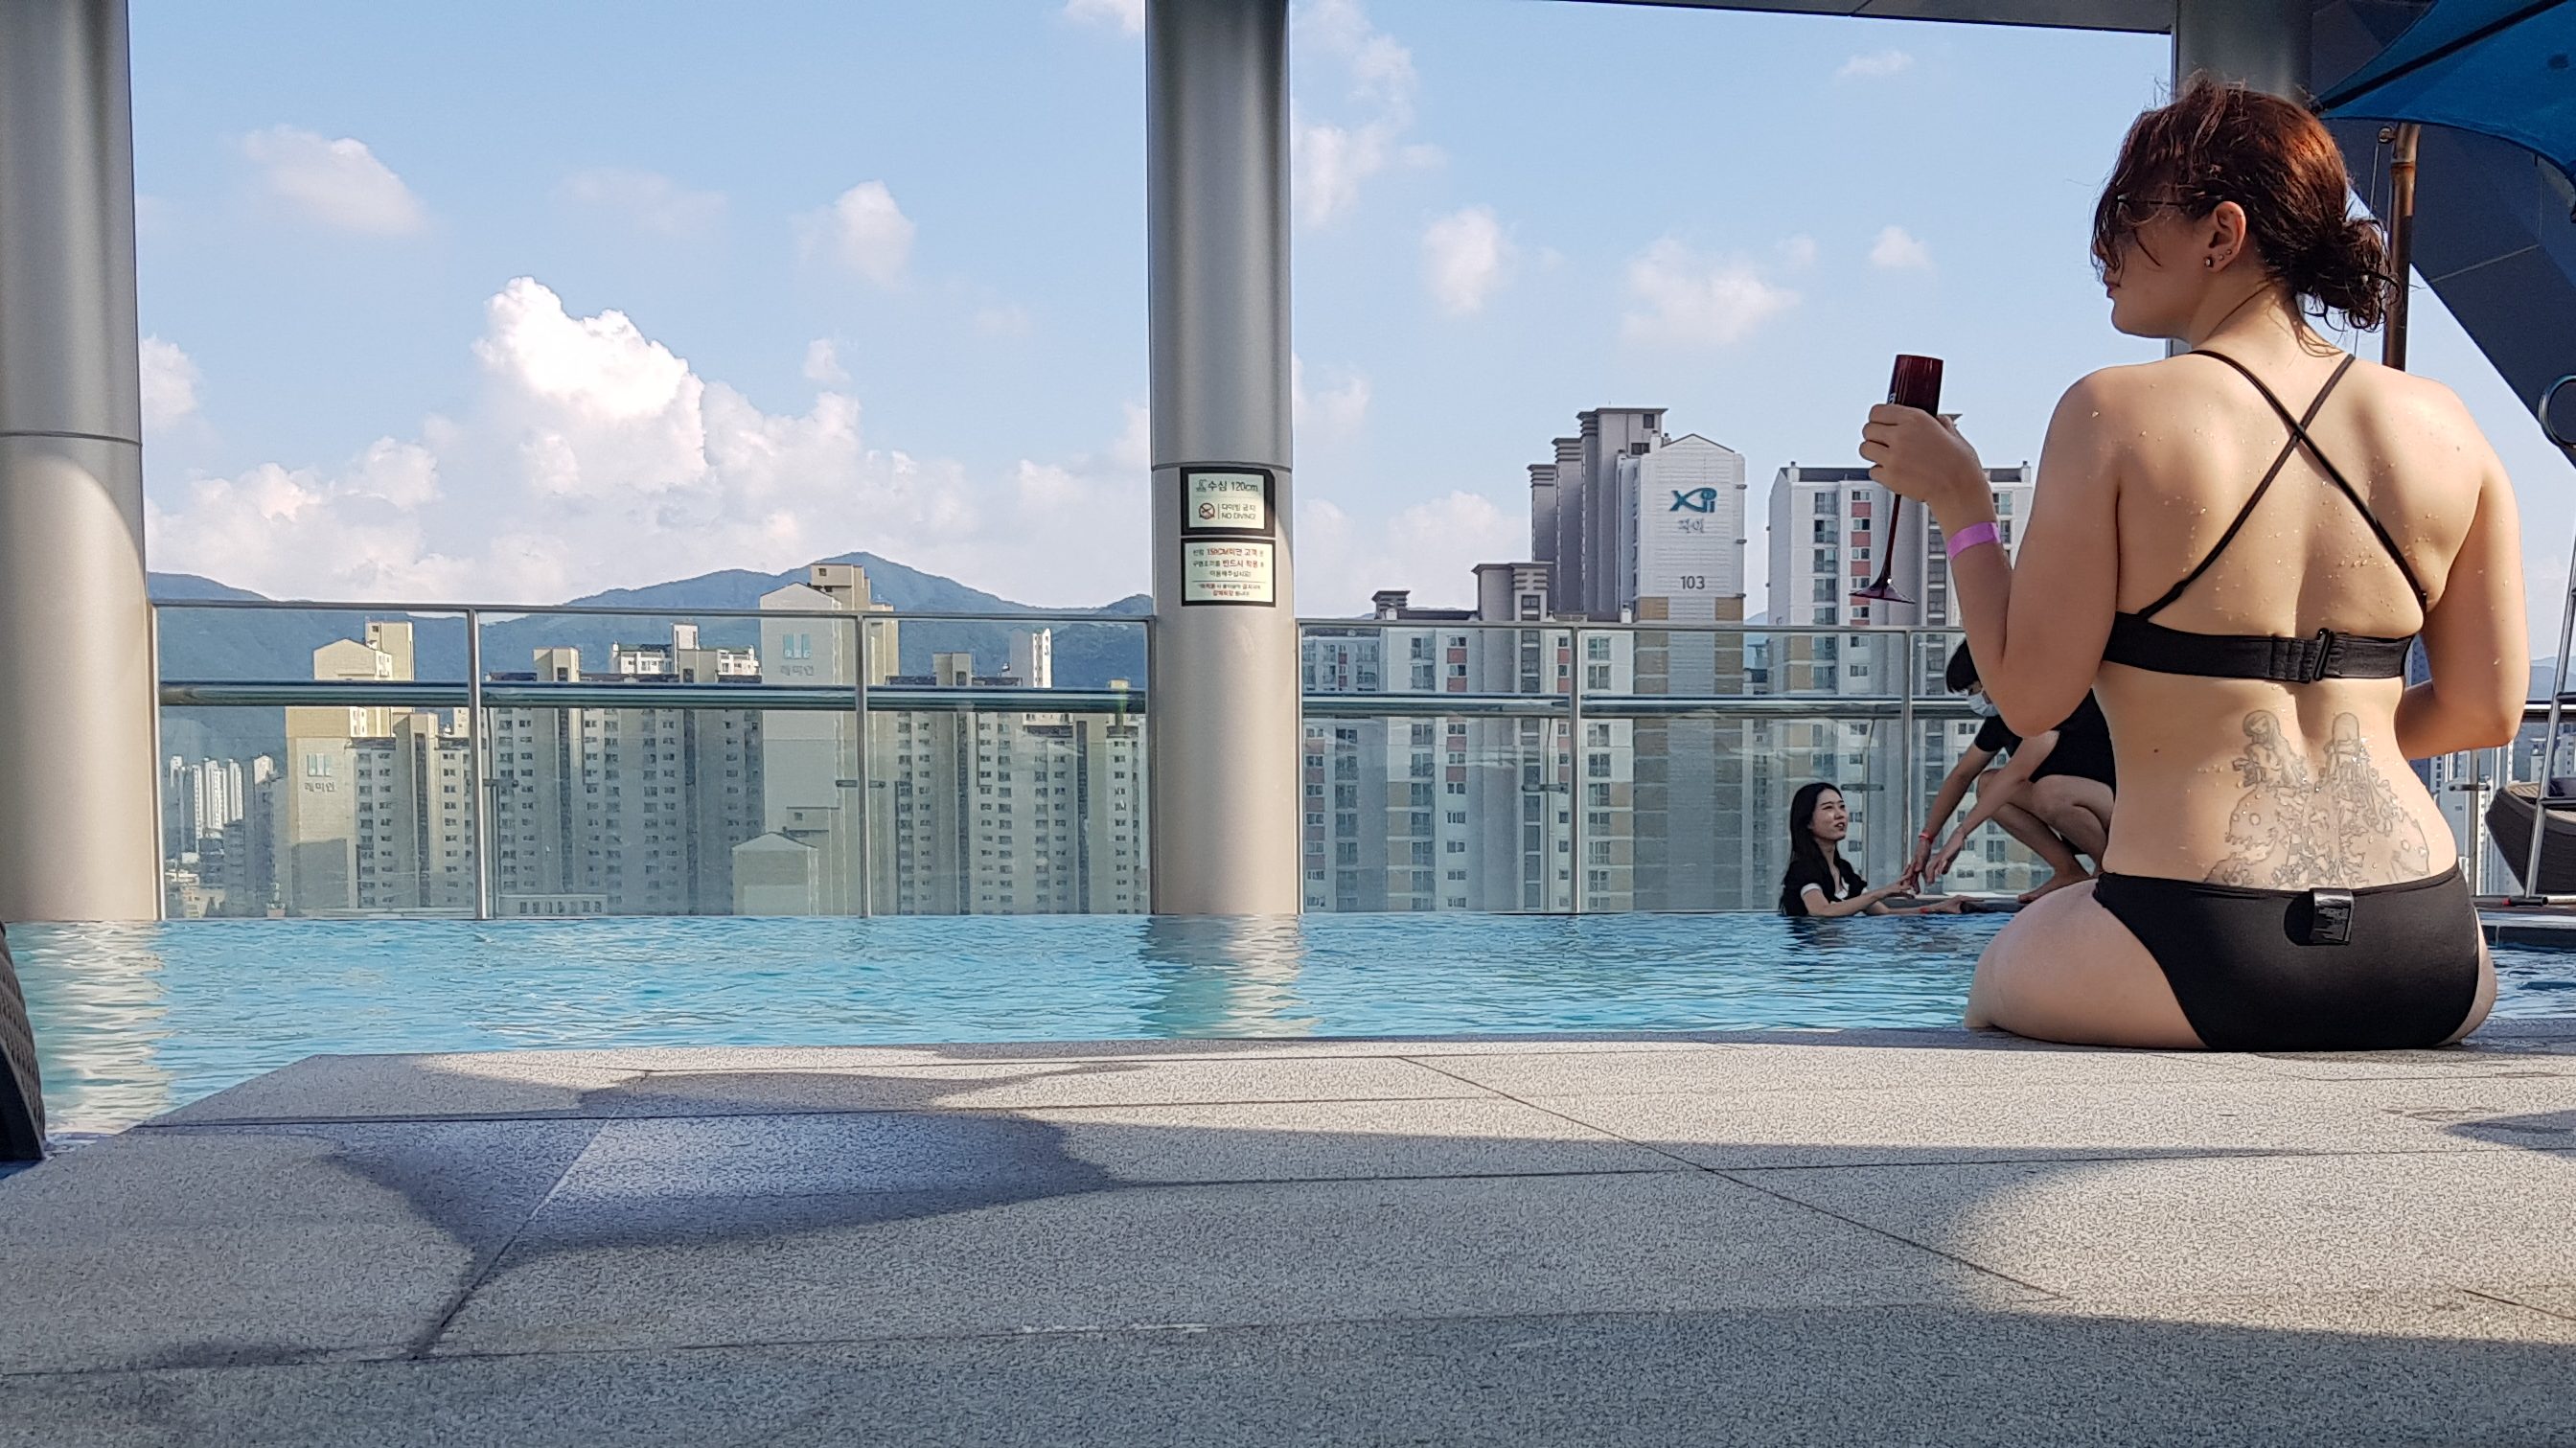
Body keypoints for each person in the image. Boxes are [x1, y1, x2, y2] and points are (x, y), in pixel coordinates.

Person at [1859, 78, 2524, 1049]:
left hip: (2206, 938)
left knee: (2001, 969)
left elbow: (2033, 696)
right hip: (2433, 950)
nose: (2104, 251)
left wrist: (1962, 506)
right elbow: (2484, 712)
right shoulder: (2446, 423)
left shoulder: (2113, 411)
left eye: (2129, 212)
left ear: (2222, 232)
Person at [1911, 642, 2117, 902]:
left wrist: (1962, 832)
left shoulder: (2055, 698)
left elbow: (2018, 773)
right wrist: (1927, 838)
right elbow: (1962, 775)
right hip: (2076, 808)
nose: (1974, 698)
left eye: (1973, 689)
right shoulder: (2004, 717)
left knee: (2048, 790)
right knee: (1988, 783)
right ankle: (2068, 872)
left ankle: (2109, 870)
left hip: (2119, 807)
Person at [1780, 781, 1965, 917]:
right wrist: (1882, 892)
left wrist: (1938, 908)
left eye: (1842, 807)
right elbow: (1821, 911)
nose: (1839, 815)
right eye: (1828, 808)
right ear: (1808, 822)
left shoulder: (1844, 871)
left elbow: (1885, 913)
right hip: (1811, 957)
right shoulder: (1802, 870)